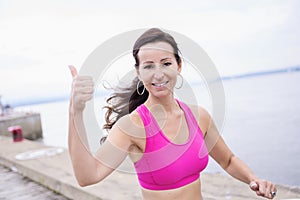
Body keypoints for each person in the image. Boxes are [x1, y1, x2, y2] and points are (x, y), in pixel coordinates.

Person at [68, 28, 277, 199]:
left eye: (166, 63)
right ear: (139, 72)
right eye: (149, 66)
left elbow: (228, 161)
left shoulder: (199, 116)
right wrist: (75, 112)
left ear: (179, 66)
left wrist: (254, 179)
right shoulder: (132, 126)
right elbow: (88, 176)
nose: (158, 74)